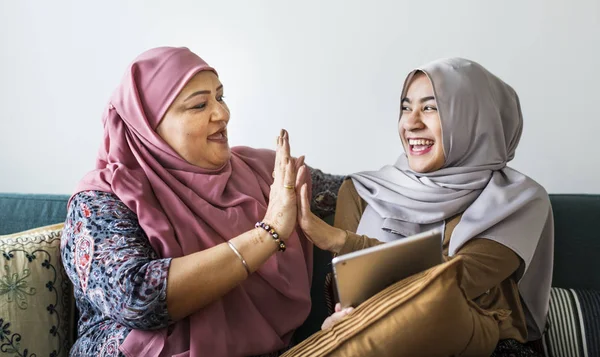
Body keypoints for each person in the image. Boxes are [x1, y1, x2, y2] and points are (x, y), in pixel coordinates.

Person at [61, 46, 343, 357]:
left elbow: (359, 192)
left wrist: (408, 153)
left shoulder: (266, 173)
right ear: (148, 127)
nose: (223, 114)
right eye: (199, 105)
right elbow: (137, 298)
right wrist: (268, 233)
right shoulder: (101, 200)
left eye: (220, 97)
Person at [288, 58, 553, 356]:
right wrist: (341, 318)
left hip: (474, 332)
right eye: (405, 107)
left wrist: (341, 241)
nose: (411, 123)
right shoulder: (363, 191)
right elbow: (347, 295)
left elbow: (453, 281)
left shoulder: (518, 200)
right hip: (374, 331)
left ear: (474, 119)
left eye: (430, 107)